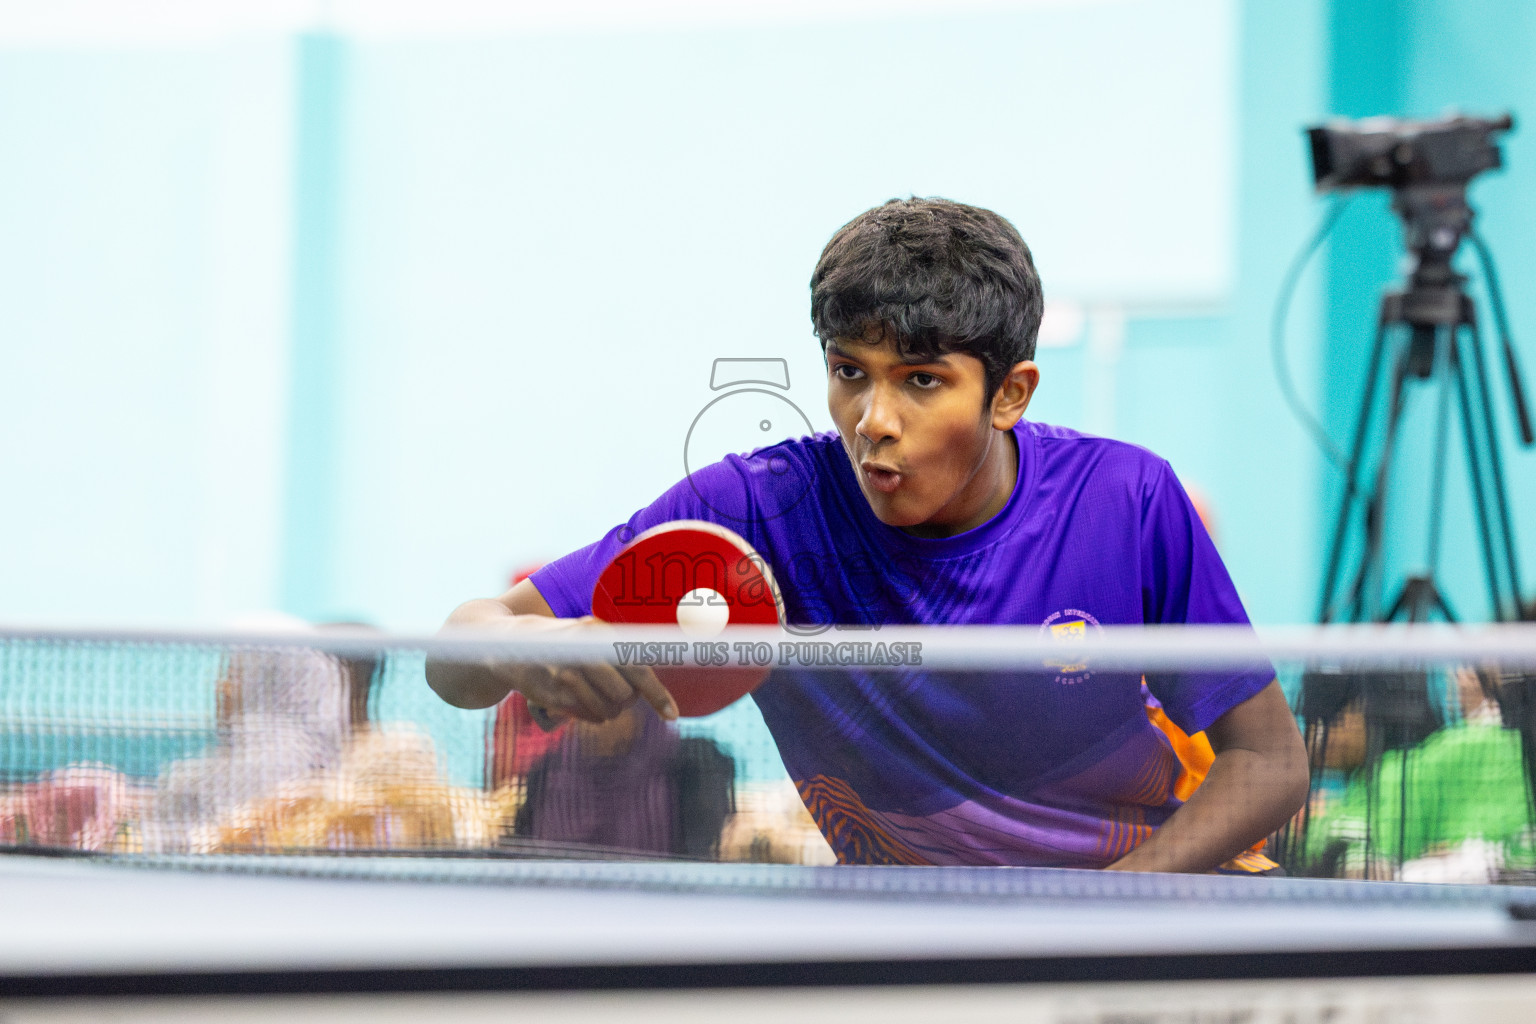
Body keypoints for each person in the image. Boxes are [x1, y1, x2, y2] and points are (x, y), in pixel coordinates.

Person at [427, 197, 1309, 873]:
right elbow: (454, 655)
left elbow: (1270, 762)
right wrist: (528, 644)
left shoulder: (1124, 499)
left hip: (1165, 918)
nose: (873, 420)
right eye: (849, 373)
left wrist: (1108, 921)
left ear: (1010, 393)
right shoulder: (760, 505)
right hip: (923, 941)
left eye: (921, 381)